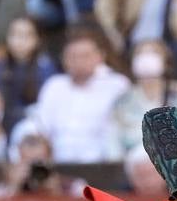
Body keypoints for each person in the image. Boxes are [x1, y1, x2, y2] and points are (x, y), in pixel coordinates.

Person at [28, 25, 130, 163]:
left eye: (85, 56)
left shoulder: (117, 85)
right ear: (64, 59)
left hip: (103, 161)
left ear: (100, 56)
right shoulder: (54, 86)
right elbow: (41, 127)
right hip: (59, 159)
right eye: (73, 56)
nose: (79, 62)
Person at [108, 39, 177, 159]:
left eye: (154, 53)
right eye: (140, 54)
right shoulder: (123, 101)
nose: (147, 58)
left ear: (165, 62)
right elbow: (114, 138)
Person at [0, 16, 57, 138]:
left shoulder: (45, 67)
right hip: (3, 127)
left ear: (38, 39)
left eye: (26, 35)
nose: (19, 41)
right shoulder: (0, 66)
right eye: (14, 34)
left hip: (35, 128)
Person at [0, 130, 85, 197]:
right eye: (29, 163)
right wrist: (14, 188)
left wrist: (57, 191)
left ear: (50, 160)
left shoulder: (74, 187)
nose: (34, 169)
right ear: (20, 162)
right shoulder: (3, 191)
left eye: (39, 162)